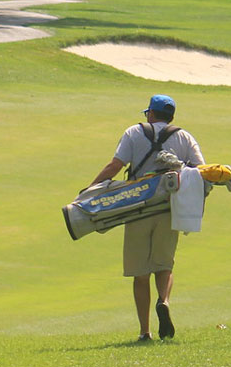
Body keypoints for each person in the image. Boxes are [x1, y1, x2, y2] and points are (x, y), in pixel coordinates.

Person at [87, 95, 205, 342]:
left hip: (137, 206)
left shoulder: (133, 132)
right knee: (164, 265)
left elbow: (114, 166)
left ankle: (144, 331)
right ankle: (164, 301)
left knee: (140, 274)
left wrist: (89, 191)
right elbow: (201, 171)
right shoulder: (184, 137)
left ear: (151, 114)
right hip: (169, 208)